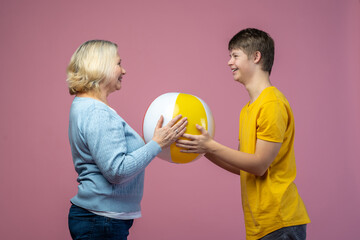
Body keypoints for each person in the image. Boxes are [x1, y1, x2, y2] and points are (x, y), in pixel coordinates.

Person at [176, 28, 310, 240]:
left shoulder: (271, 104)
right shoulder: (248, 109)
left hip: (280, 222)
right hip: (260, 225)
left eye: (235, 55)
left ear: (256, 57)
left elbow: (259, 165)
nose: (229, 62)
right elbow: (244, 166)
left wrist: (210, 145)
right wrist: (201, 149)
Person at [66, 40, 187, 240]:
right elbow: (117, 171)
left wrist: (151, 140)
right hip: (101, 221)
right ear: (101, 66)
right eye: (118, 63)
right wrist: (157, 144)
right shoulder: (97, 111)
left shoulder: (85, 106)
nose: (124, 70)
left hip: (101, 220)